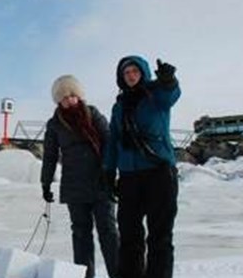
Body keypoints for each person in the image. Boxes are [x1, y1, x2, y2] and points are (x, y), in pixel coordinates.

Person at [104, 56, 181, 278]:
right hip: (129, 177)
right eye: (126, 73)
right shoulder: (119, 106)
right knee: (129, 235)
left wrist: (169, 80)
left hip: (159, 173)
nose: (130, 76)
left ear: (143, 73)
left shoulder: (157, 95)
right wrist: (108, 171)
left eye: (134, 72)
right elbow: (113, 141)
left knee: (160, 236)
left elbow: (171, 94)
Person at [41, 75, 119, 278]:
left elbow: (110, 140)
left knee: (108, 232)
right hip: (74, 187)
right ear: (59, 101)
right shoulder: (55, 124)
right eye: (65, 98)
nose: (70, 100)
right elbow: (49, 155)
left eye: (73, 95)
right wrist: (46, 183)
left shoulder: (93, 114)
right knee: (81, 235)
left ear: (79, 96)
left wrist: (109, 169)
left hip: (101, 182)